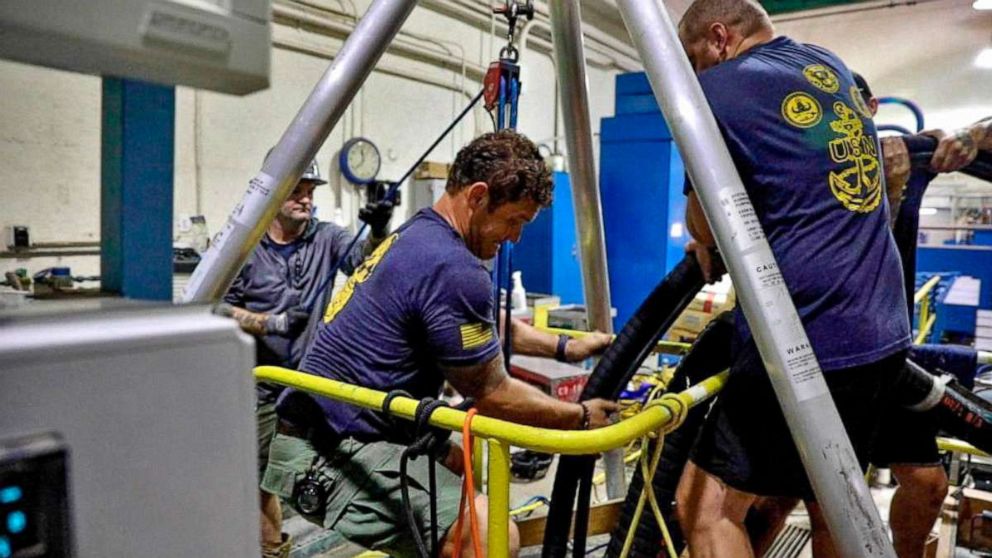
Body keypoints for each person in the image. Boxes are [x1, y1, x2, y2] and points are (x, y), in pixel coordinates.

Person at [261, 130, 618, 558]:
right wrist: (580, 419)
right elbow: (492, 395)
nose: (515, 238)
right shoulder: (452, 266)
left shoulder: (422, 235)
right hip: (325, 454)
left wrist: (564, 348)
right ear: (479, 196)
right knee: (490, 534)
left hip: (336, 428)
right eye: (515, 221)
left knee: (455, 461)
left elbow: (477, 323)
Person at [673, 2, 911, 557]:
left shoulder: (716, 91)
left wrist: (703, 242)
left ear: (719, 38)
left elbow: (704, 221)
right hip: (881, 326)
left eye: (693, 59)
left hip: (808, 334)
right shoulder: (826, 65)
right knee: (837, 501)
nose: (694, 72)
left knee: (706, 508)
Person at [745, 75, 992, 558]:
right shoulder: (810, 169)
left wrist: (968, 134)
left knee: (927, 484)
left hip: (889, 352)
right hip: (825, 348)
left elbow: (957, 139)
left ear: (871, 108)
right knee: (802, 495)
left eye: (849, 106)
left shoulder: (905, 157)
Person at [216, 157, 394, 558]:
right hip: (261, 386)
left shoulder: (328, 238)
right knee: (262, 481)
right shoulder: (242, 244)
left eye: (311, 192)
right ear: (272, 194)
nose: (306, 200)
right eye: (297, 191)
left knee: (338, 466)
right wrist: (271, 323)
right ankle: (271, 550)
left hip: (314, 382)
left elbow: (370, 265)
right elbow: (216, 306)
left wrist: (380, 228)